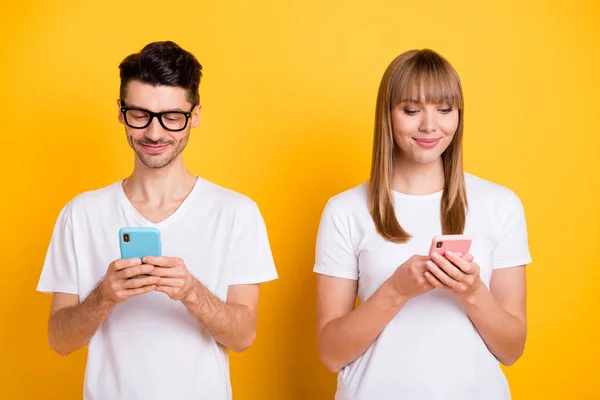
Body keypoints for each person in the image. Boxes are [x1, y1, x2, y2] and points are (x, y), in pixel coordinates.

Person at [37, 41, 278, 400]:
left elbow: (243, 337)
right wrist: (104, 296)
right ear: (121, 112)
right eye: (140, 115)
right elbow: (59, 340)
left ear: (194, 116)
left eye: (172, 117)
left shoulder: (236, 213)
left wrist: (190, 291)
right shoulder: (81, 214)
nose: (154, 133)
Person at [314, 49, 531, 400]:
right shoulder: (345, 210)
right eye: (412, 110)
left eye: (445, 110)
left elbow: (512, 349)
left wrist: (473, 292)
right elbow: (331, 353)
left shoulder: (500, 205)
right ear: (388, 115)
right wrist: (396, 290)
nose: (430, 125)